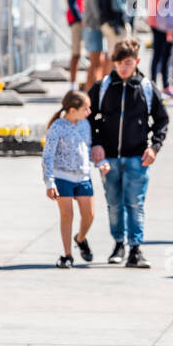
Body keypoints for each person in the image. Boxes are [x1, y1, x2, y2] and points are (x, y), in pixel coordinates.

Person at [88, 37, 169, 269]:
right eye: (120, 63)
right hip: (109, 157)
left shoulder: (146, 87)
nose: (124, 67)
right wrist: (96, 143)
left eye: (129, 62)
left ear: (137, 62)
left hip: (137, 157)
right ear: (113, 63)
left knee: (135, 203)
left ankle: (135, 248)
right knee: (114, 204)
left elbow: (162, 119)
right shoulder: (102, 87)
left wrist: (154, 146)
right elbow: (87, 117)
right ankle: (118, 244)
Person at [43, 91, 106, 268]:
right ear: (72, 110)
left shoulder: (85, 124)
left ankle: (80, 238)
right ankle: (67, 254)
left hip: (83, 176)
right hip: (62, 176)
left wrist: (101, 163)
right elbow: (48, 156)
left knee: (89, 215)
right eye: (85, 108)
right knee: (66, 214)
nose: (89, 112)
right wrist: (50, 182)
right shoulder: (57, 127)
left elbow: (87, 149)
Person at [82, 0, 107, 90]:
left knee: (96, 62)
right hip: (93, 30)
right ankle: (90, 91)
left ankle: (90, 90)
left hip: (92, 30)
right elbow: (97, 13)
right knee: (95, 64)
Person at [65, 0, 87, 88]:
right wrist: (79, 18)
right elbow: (72, 1)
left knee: (80, 52)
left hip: (80, 17)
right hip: (76, 19)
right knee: (76, 53)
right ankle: (72, 84)